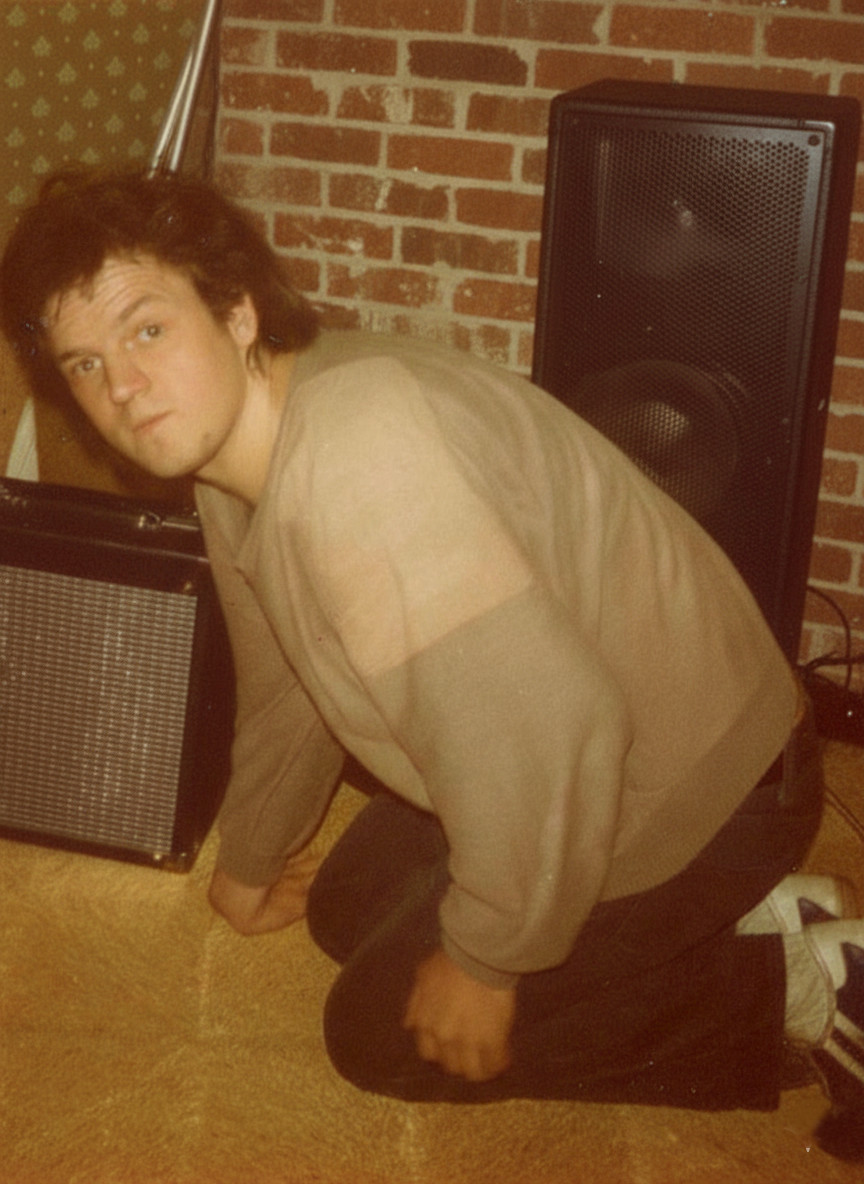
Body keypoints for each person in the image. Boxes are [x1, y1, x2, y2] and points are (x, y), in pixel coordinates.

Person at [1, 167, 862, 1162]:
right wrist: (248, 864)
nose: (122, 387)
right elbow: (285, 686)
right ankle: (766, 912)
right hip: (643, 750)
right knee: (347, 906)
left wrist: (489, 960)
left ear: (236, 313)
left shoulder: (360, 458)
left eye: (147, 329)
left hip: (707, 786)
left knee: (381, 1032)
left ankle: (811, 989)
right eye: (86, 363)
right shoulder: (240, 454)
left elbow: (549, 730)